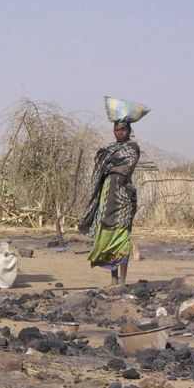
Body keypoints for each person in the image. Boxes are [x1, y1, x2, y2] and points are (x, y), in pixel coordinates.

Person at [79, 121, 140, 286]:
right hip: (106, 202)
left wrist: (106, 164)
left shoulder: (132, 148)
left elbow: (126, 168)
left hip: (123, 200)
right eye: (117, 129)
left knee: (122, 239)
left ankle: (123, 282)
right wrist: (112, 168)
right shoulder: (111, 148)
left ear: (129, 130)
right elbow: (101, 163)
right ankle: (113, 281)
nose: (120, 132)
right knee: (108, 238)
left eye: (123, 129)